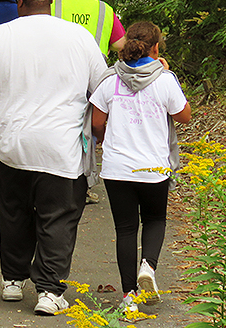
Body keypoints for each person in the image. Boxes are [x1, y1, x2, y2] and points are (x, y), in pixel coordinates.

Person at [0, 0, 108, 316]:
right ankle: (49, 290)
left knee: (13, 211)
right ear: (53, 1)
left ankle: (13, 281)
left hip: (10, 143)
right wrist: (100, 133)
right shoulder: (79, 37)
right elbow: (102, 90)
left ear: (18, 1)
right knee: (58, 216)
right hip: (62, 145)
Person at [89, 21, 191, 314]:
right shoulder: (165, 80)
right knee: (155, 220)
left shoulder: (110, 80)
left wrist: (106, 139)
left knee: (125, 229)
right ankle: (148, 265)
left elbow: (97, 123)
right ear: (156, 48)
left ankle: (128, 297)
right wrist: (167, 72)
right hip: (153, 166)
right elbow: (184, 116)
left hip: (117, 168)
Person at [51, 0, 125, 58]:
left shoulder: (53, 5)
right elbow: (120, 44)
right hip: (95, 66)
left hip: (61, 63)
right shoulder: (105, 9)